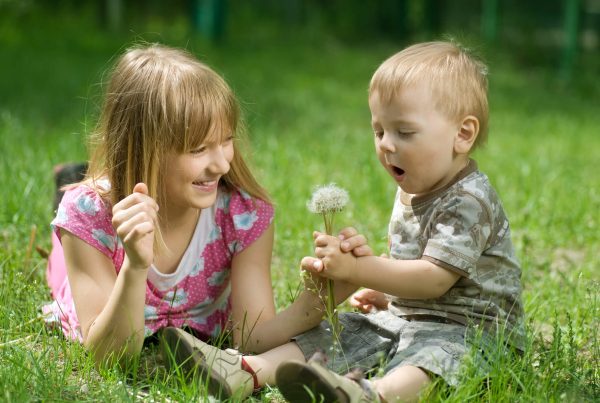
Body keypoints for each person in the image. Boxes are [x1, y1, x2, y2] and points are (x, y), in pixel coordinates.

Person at [164, 41, 526, 402]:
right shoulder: (415, 188)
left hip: (474, 331)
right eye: (379, 130)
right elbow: (414, 269)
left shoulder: (468, 200)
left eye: (404, 132)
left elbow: (434, 278)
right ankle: (248, 371)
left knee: (436, 357)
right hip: (410, 320)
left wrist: (360, 270)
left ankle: (371, 394)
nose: (386, 144)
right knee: (343, 331)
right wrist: (385, 291)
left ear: (462, 134)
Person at [41, 43, 371, 371]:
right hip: (97, 241)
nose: (221, 165)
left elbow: (252, 338)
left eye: (226, 141)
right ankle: (73, 181)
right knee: (61, 264)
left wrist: (316, 302)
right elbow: (109, 358)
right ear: (144, 149)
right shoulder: (89, 215)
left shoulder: (241, 216)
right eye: (198, 149)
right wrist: (135, 266)